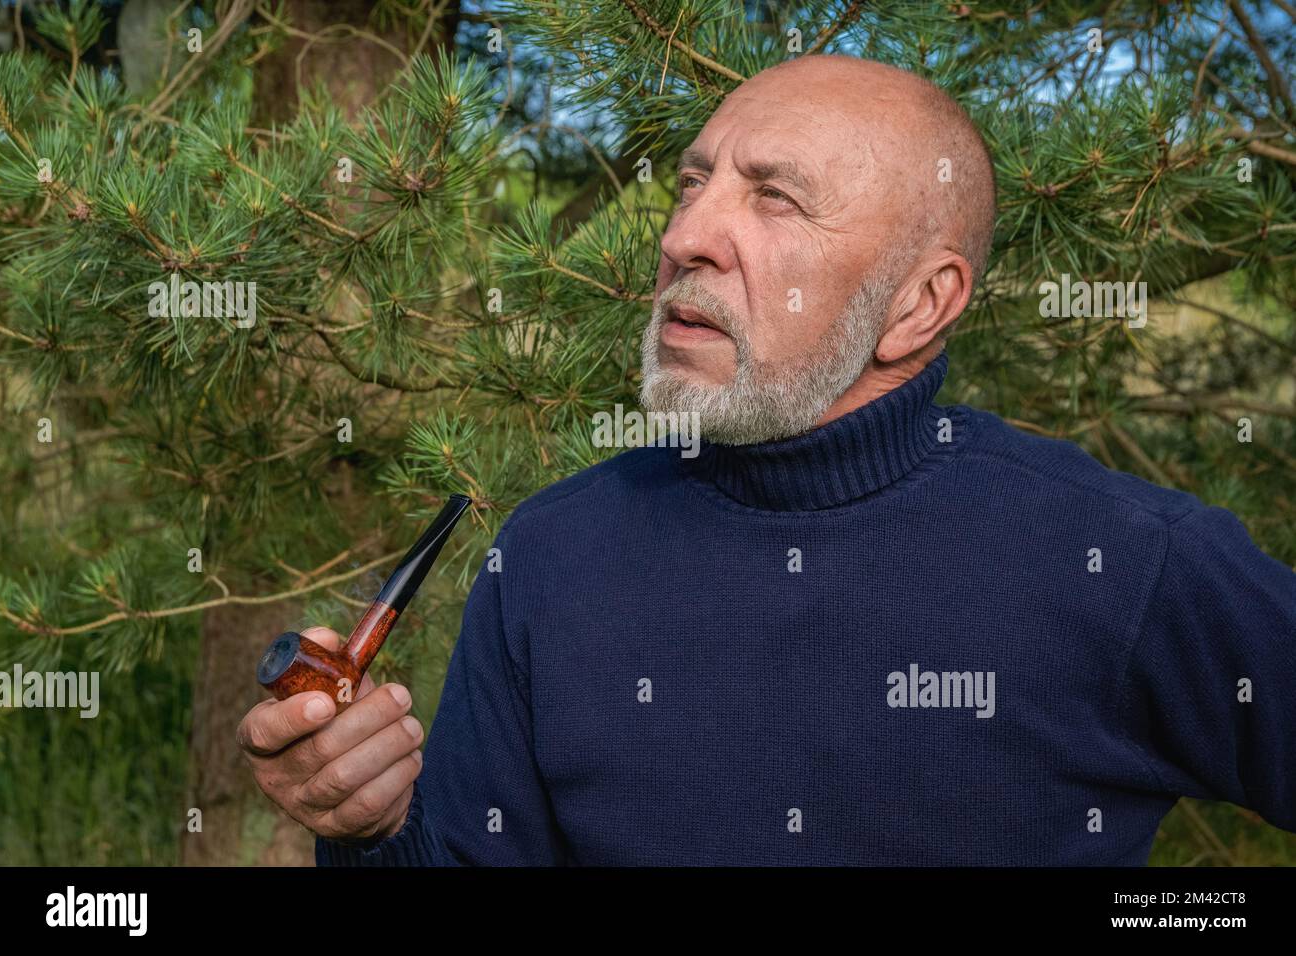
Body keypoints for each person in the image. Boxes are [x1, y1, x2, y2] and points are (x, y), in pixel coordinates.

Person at [237, 54, 1296, 865]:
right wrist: (371, 830)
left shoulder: (1124, 560)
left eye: (773, 197)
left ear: (919, 304)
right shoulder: (554, 554)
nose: (688, 234)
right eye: (693, 183)